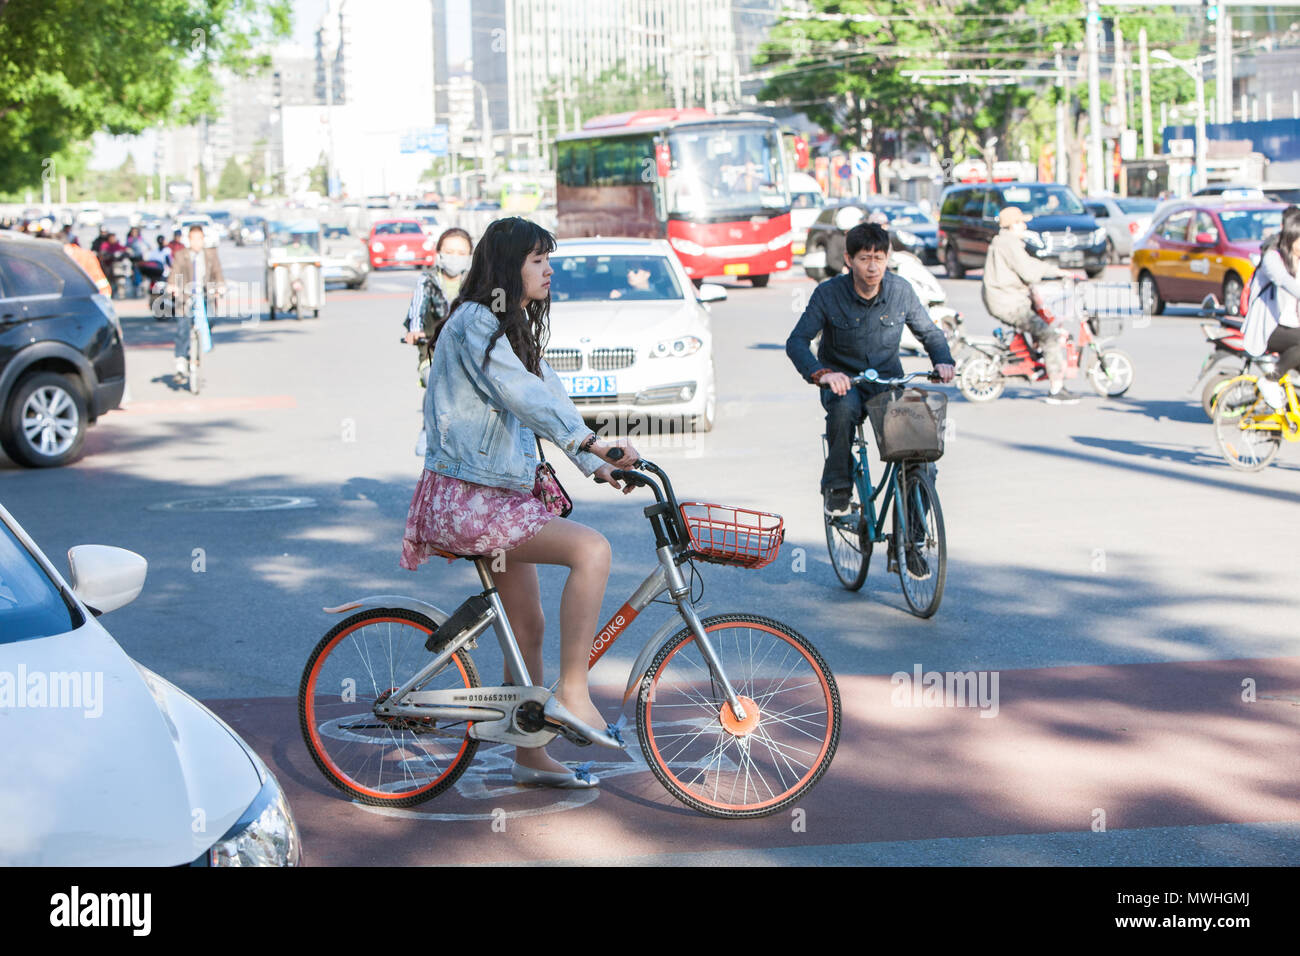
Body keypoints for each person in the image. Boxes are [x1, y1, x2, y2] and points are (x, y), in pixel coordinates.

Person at [399, 216, 640, 789]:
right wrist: (588, 445)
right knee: (592, 552)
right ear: (508, 266)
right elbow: (523, 395)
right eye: (537, 259)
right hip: (471, 497)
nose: (548, 269)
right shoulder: (474, 324)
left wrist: (596, 462)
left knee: (527, 624)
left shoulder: (504, 328)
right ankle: (575, 692)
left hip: (498, 495)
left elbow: (548, 394)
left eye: (547, 258)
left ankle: (530, 754)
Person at [786, 221, 955, 516]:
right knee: (843, 411)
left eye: (879, 258)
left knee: (921, 461)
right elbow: (797, 342)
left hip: (887, 384)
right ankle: (838, 487)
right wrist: (823, 374)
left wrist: (942, 360)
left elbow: (929, 332)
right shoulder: (828, 294)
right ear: (849, 260)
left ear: (887, 259)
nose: (873, 267)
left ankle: (912, 542)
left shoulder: (901, 291)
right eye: (865, 259)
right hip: (843, 382)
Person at [981, 206, 1081, 404]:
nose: (1024, 226)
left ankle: (1039, 361)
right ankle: (1056, 389)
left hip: (1003, 299)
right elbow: (1028, 270)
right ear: (1012, 225)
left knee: (1039, 323)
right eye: (1021, 222)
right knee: (1048, 334)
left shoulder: (1001, 242)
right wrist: (1058, 272)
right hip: (1009, 303)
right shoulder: (1009, 243)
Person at [402, 227, 474, 455]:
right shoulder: (427, 281)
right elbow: (417, 310)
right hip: (432, 354)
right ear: (439, 253)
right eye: (449, 251)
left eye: (461, 252)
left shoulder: (475, 282)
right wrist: (415, 331)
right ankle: (427, 429)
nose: (455, 257)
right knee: (435, 380)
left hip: (470, 355)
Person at [1246, 205, 1300, 410]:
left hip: (1290, 327)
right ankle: (1270, 380)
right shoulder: (1273, 259)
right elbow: (1286, 282)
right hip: (1267, 328)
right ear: (1291, 236)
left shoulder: (1297, 259)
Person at [167, 225, 225, 379]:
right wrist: (173, 286)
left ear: (203, 239)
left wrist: (220, 287)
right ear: (189, 240)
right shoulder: (181, 255)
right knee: (183, 327)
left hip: (205, 295)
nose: (197, 242)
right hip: (186, 296)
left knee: (211, 318)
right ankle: (181, 361)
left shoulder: (210, 255)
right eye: (193, 239)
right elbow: (174, 272)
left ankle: (202, 341)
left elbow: (217, 273)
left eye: (199, 238)